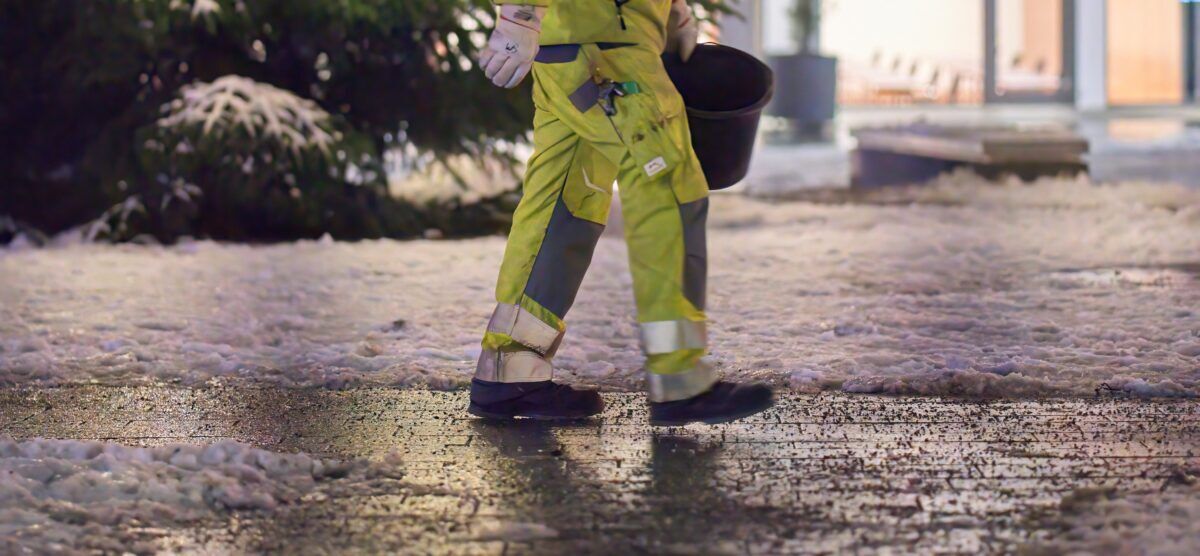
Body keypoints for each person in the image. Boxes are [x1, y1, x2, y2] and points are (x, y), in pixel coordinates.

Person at [468, 0, 774, 426]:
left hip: (571, 50)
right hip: (609, 49)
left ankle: (510, 370)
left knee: (563, 205)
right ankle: (680, 378)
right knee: (668, 190)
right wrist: (519, 14)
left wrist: (671, 13)